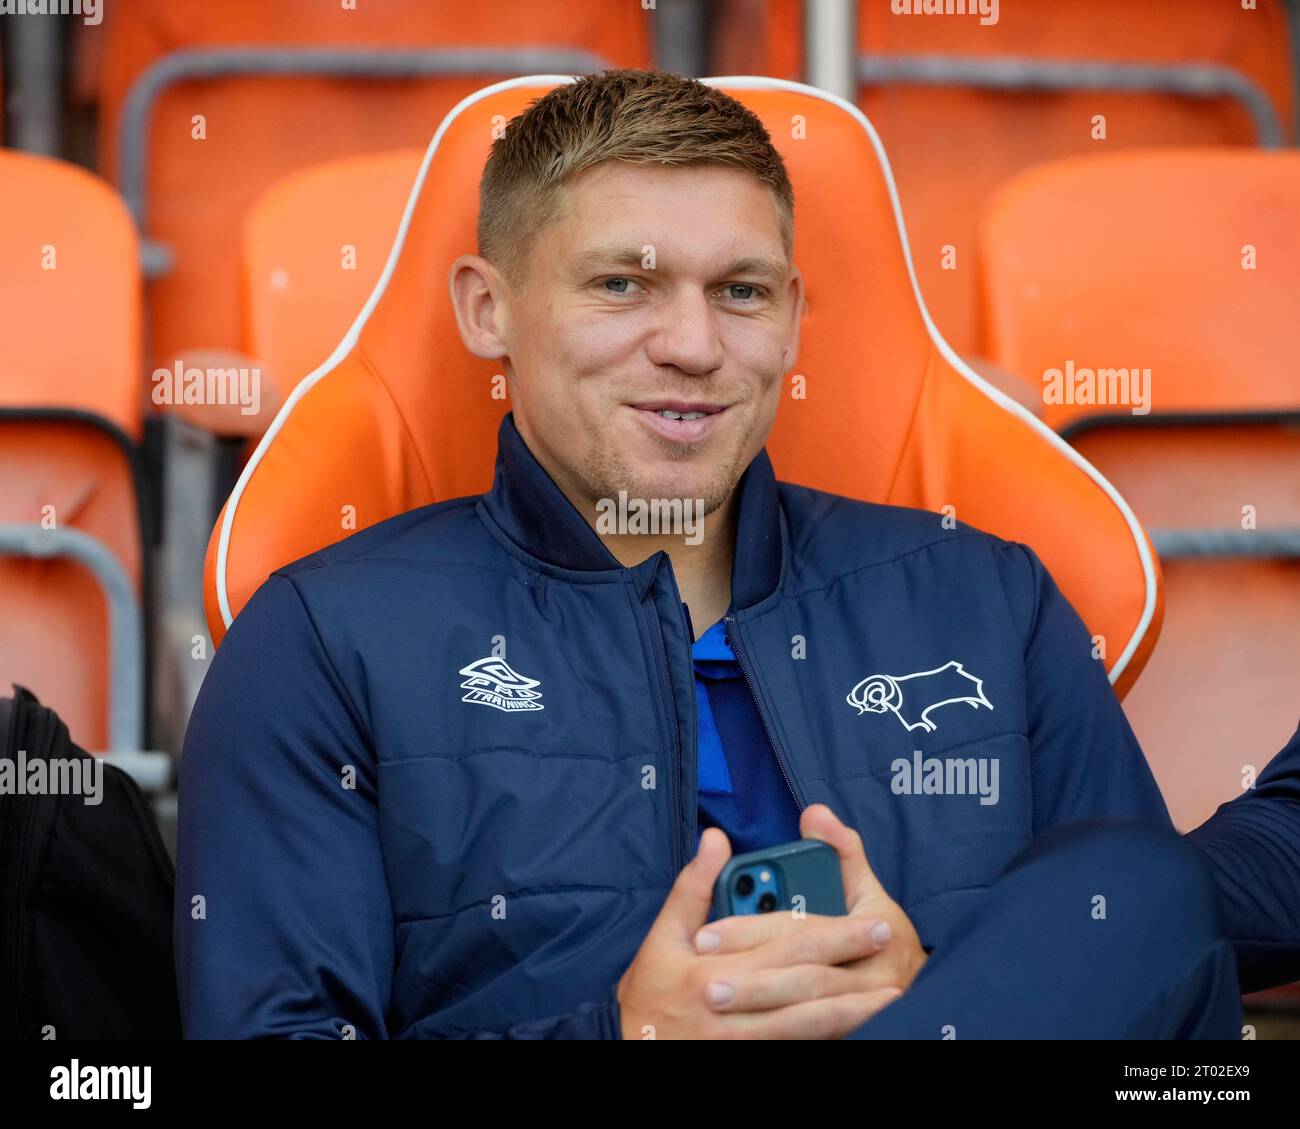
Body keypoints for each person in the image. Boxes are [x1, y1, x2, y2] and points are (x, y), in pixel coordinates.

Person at [174, 69, 1247, 1039]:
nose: (692, 347)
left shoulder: (984, 596)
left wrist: (954, 1001)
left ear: (791, 316)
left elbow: (1151, 984)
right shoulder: (323, 636)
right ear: (487, 308)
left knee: (1142, 885)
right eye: (621, 285)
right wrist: (624, 1035)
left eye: (741, 290)